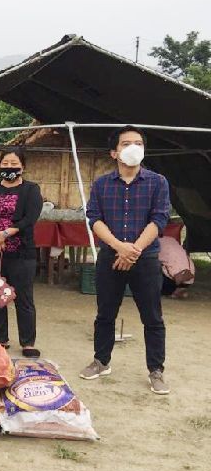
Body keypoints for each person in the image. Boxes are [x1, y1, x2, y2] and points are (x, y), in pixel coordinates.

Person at [80, 126, 171, 394]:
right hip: (111, 256)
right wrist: (119, 247)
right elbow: (94, 219)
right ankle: (101, 361)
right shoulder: (101, 184)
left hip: (146, 258)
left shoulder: (158, 182)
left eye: (138, 143)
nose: (133, 147)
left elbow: (159, 219)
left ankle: (156, 370)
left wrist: (134, 250)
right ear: (114, 152)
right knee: (105, 313)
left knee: (152, 317)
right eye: (126, 143)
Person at [0, 147, 43, 357]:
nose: (9, 167)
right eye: (5, 164)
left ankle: (27, 342)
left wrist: (4, 234)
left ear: (23, 166)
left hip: (21, 252)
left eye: (14, 164)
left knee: (23, 297)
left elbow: (30, 218)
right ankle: (1, 339)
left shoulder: (31, 190)